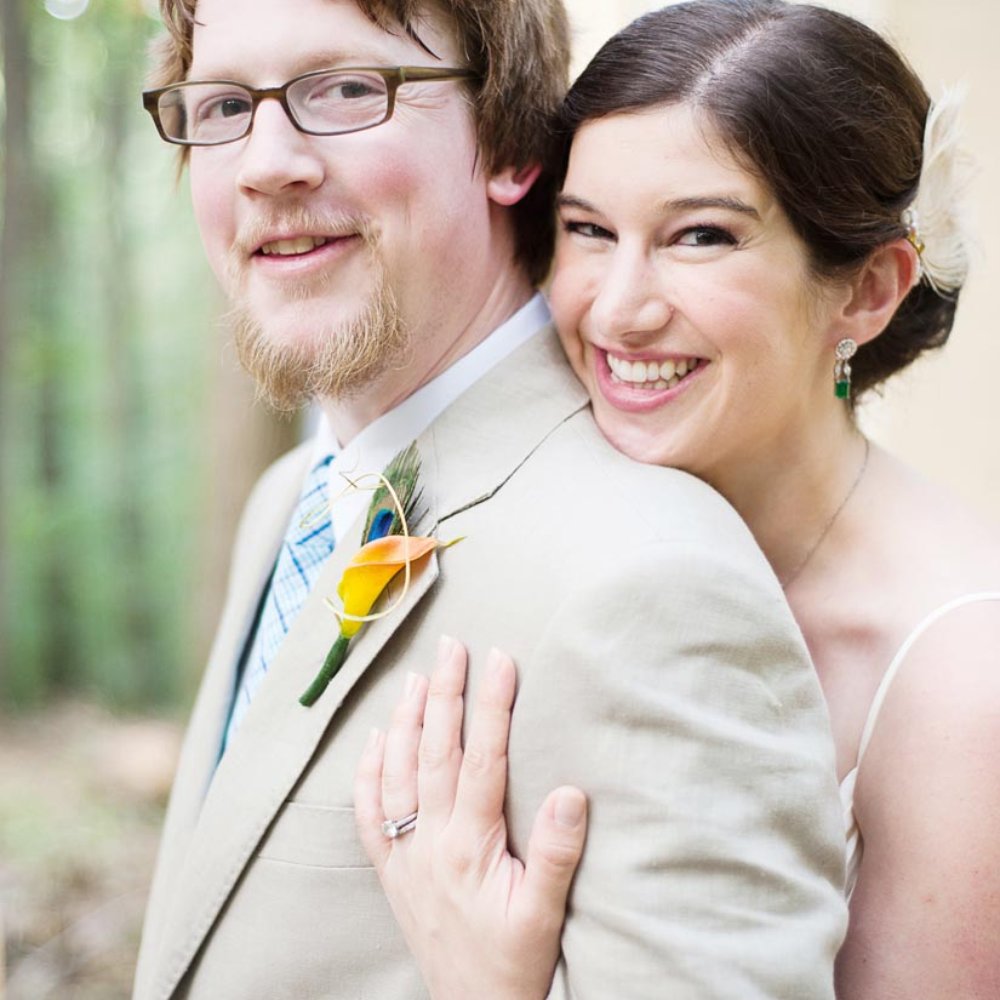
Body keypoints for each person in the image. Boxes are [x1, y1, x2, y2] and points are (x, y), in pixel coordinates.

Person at [132, 0, 851, 997]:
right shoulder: (286, 502)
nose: (265, 164)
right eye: (220, 106)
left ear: (510, 145)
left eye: (345, 90)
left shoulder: (652, 581)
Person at [354, 1, 1000, 997]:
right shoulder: (548, 548)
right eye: (587, 230)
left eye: (701, 236)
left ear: (870, 289)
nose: (618, 310)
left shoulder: (963, 691)